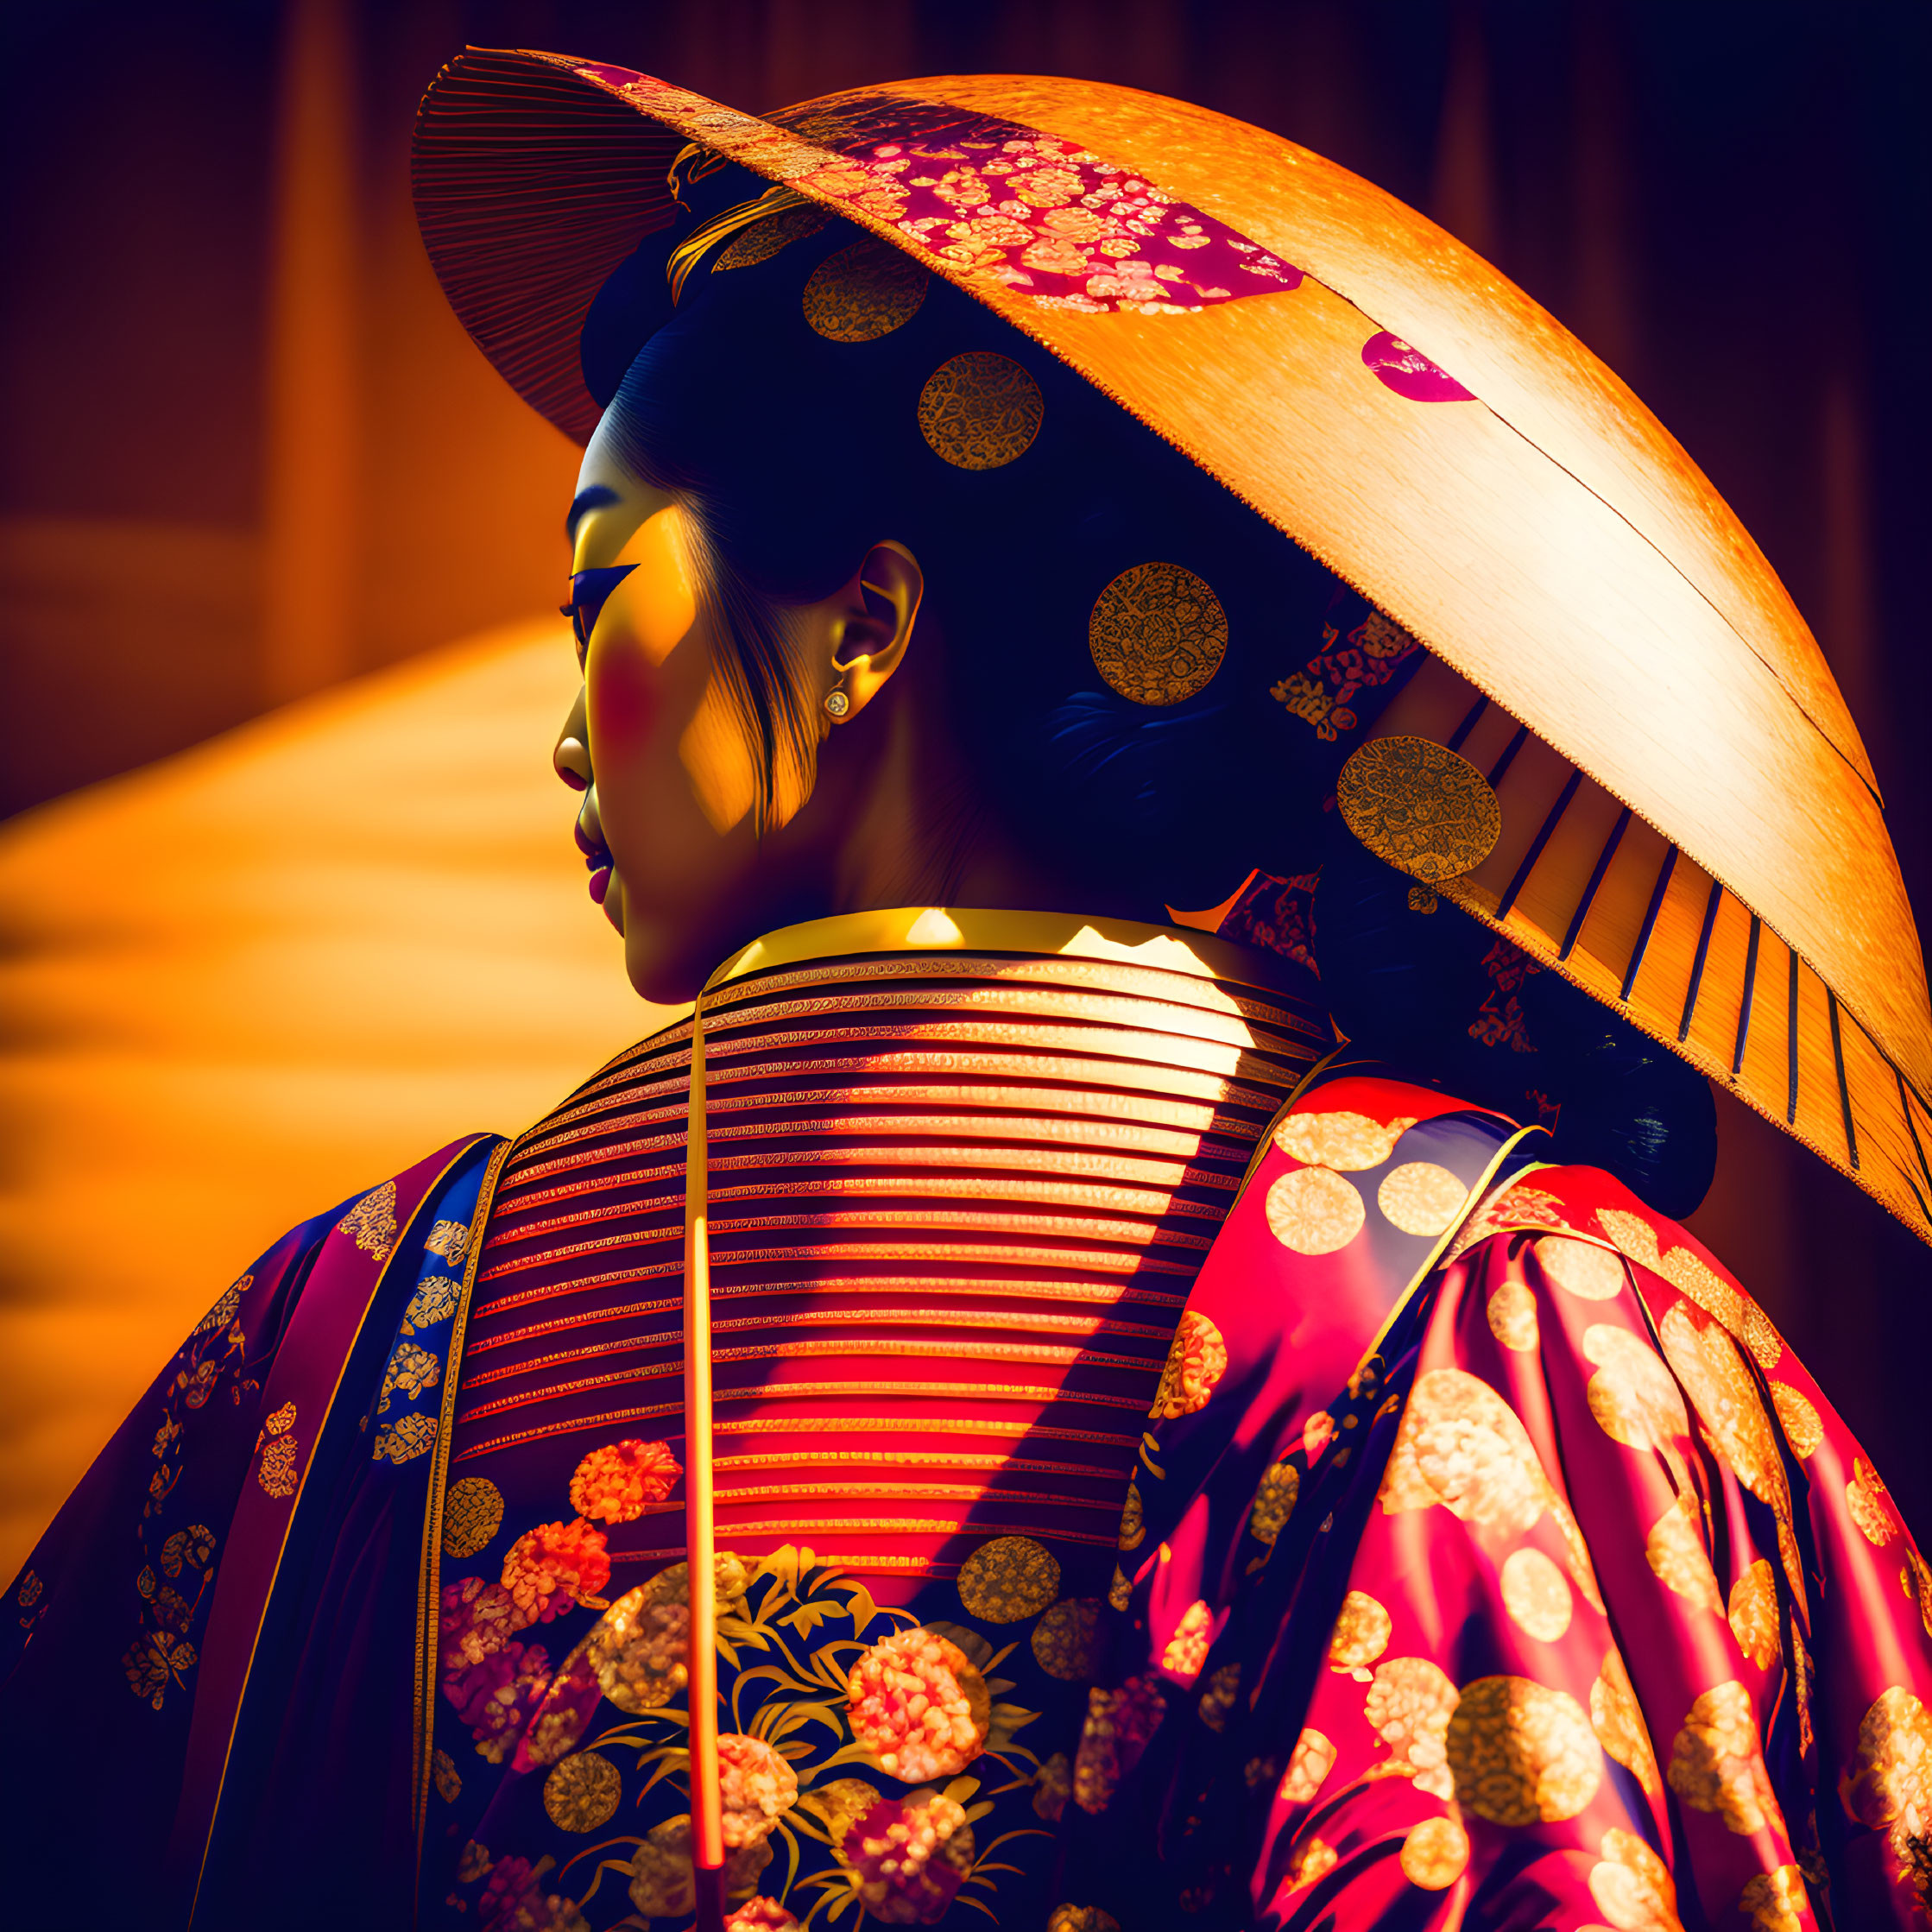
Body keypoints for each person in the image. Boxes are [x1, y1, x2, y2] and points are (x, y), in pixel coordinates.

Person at [4, 51, 1930, 1932]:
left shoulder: (342, 1342)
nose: (567, 728)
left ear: (862, 632)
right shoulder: (1532, 1310)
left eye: (600, 596)